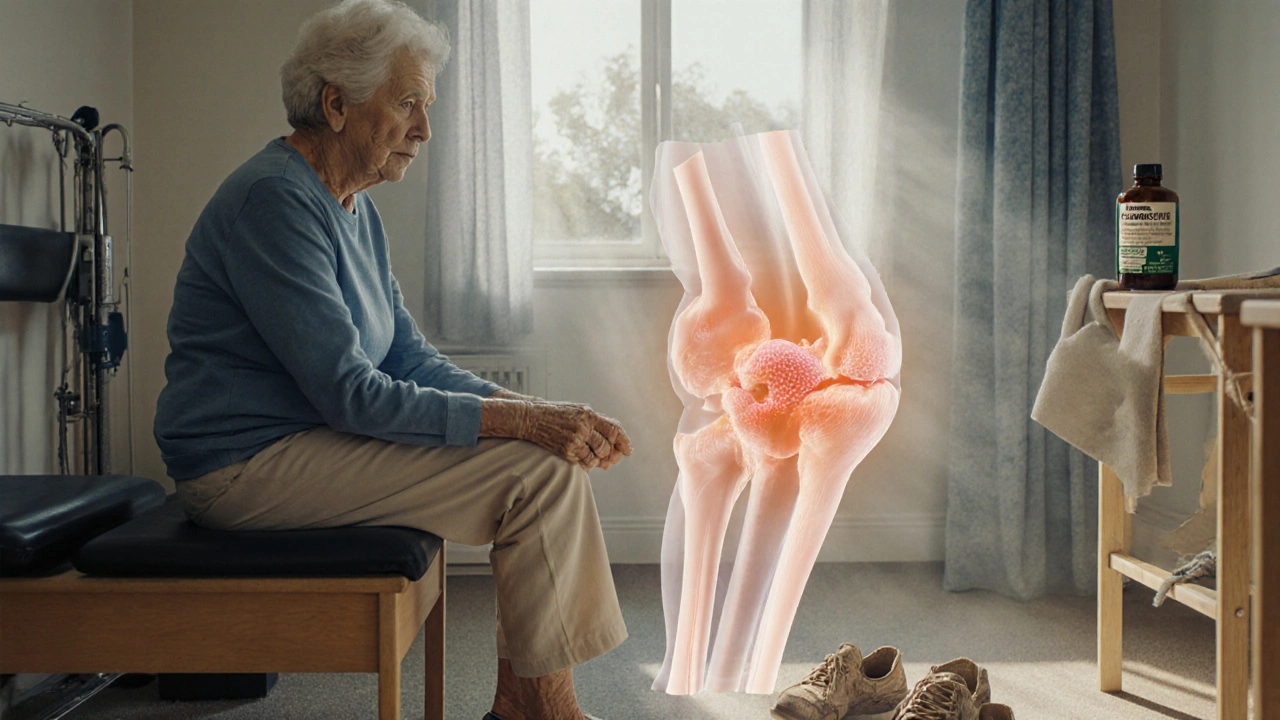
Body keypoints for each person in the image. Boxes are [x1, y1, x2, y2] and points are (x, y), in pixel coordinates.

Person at [153, 1, 630, 718]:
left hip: (302, 445)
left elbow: (407, 355)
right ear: (335, 104)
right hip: (242, 467)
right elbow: (352, 394)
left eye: (426, 106)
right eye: (407, 103)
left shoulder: (351, 206)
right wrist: (525, 428)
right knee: (536, 470)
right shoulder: (273, 201)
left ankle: (524, 706)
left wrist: (539, 413)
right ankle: (540, 711)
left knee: (544, 460)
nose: (425, 129)